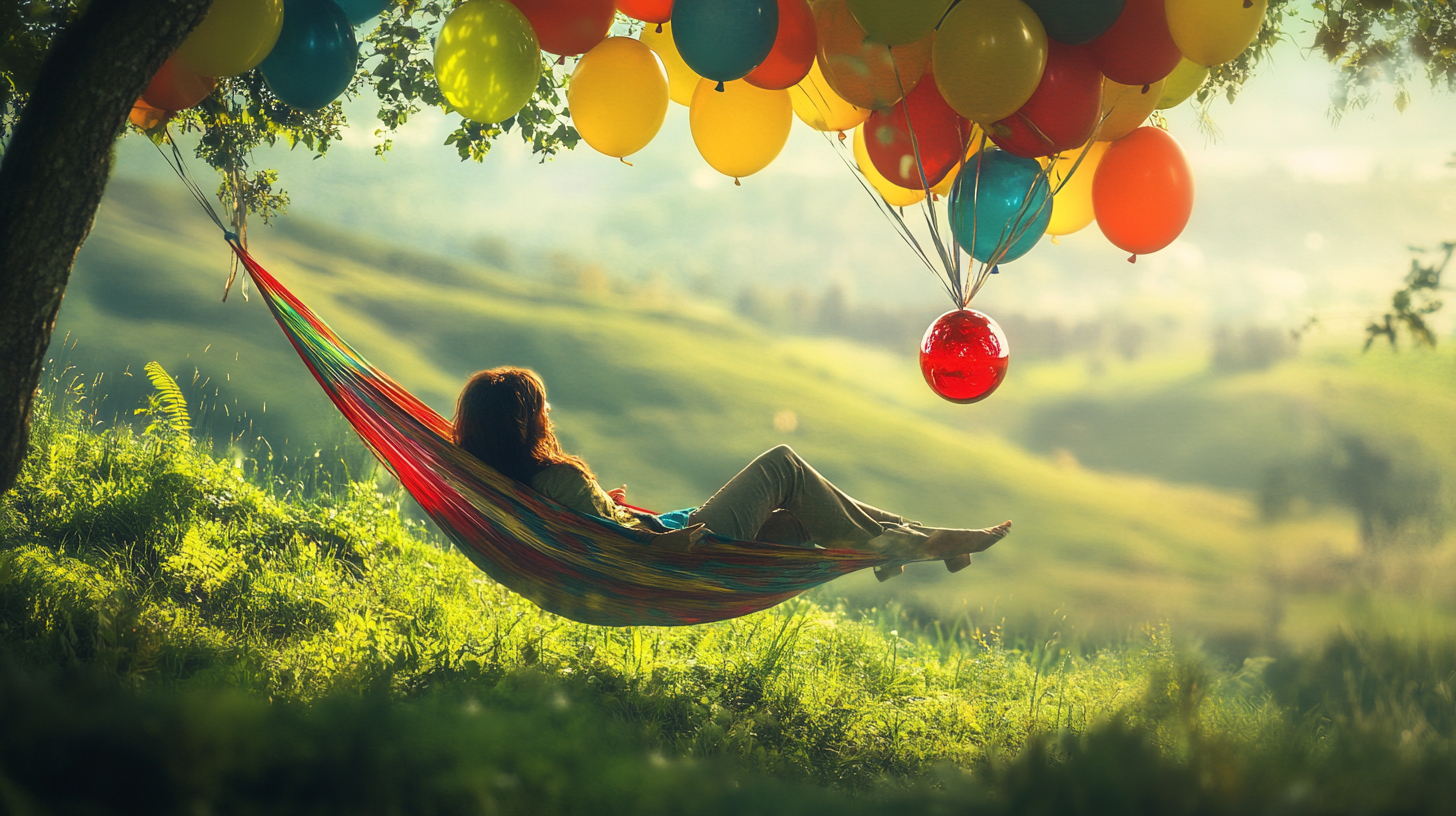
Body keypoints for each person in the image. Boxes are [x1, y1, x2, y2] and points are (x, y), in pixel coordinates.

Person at [452, 367, 1011, 578]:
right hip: (681, 549)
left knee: (798, 521)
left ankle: (915, 543)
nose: (550, 414)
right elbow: (610, 552)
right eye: (542, 406)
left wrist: (604, 505)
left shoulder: (514, 479)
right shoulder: (555, 481)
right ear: (523, 420)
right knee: (784, 465)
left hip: (664, 535)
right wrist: (629, 531)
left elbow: (585, 533)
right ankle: (919, 543)